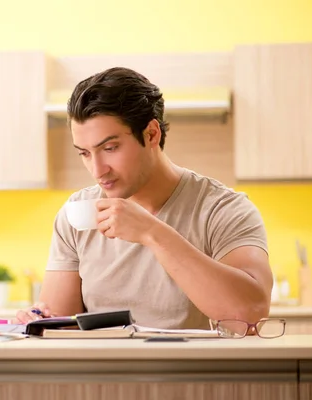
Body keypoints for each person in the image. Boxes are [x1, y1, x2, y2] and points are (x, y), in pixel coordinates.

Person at [14, 67, 273, 330]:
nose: (97, 170)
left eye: (110, 148)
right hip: (102, 371)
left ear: (151, 134)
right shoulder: (77, 214)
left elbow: (249, 316)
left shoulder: (223, 209)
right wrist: (39, 319)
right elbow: (62, 325)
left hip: (191, 371)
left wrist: (152, 232)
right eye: (84, 153)